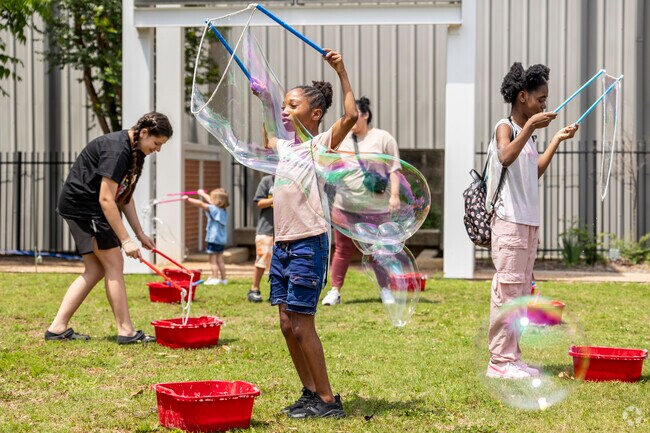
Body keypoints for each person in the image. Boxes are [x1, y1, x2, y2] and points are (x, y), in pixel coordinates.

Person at [252, 48, 357, 418]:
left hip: (308, 242)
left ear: (314, 114)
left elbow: (351, 115)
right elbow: (267, 139)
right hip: (283, 244)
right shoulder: (286, 149)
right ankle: (310, 392)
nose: (285, 110)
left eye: (291, 105)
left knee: (302, 322)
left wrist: (341, 71)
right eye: (283, 105)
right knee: (285, 323)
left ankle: (328, 401)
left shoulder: (319, 144)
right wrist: (266, 101)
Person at [45, 112, 173, 344]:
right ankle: (126, 331)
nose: (158, 149)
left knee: (95, 269)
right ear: (143, 133)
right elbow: (106, 199)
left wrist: (140, 233)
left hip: (86, 206)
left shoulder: (135, 152)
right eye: (156, 143)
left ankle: (57, 328)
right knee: (115, 263)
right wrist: (125, 240)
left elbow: (124, 197)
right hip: (84, 207)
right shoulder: (118, 150)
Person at [486, 63, 579, 379]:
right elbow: (505, 156)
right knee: (508, 291)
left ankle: (512, 357)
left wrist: (555, 140)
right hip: (509, 221)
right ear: (522, 96)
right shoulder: (506, 127)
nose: (544, 105)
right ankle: (499, 362)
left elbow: (532, 171)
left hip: (527, 221)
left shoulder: (530, 134)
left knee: (522, 292)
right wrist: (530, 129)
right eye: (540, 99)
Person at [321, 96, 402, 306]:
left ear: (365, 115)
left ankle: (385, 290)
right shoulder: (341, 139)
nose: (350, 119)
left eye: (354, 115)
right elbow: (328, 166)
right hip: (344, 205)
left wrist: (394, 196)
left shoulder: (383, 138)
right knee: (342, 250)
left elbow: (394, 169)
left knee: (378, 250)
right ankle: (335, 291)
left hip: (376, 207)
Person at [186, 188, 229, 285]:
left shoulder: (214, 209)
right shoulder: (223, 210)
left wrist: (188, 199)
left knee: (213, 260)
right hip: (221, 240)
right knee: (220, 260)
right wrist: (201, 194)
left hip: (214, 239)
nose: (210, 200)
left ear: (217, 201)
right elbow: (210, 200)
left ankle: (215, 278)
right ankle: (223, 279)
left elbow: (201, 204)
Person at [248, 174, 274, 303]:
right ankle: (254, 289)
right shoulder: (267, 180)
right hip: (267, 228)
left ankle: (276, 290)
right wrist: (275, 199)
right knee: (262, 259)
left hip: (285, 230)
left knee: (279, 263)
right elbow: (260, 203)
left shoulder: (291, 181)